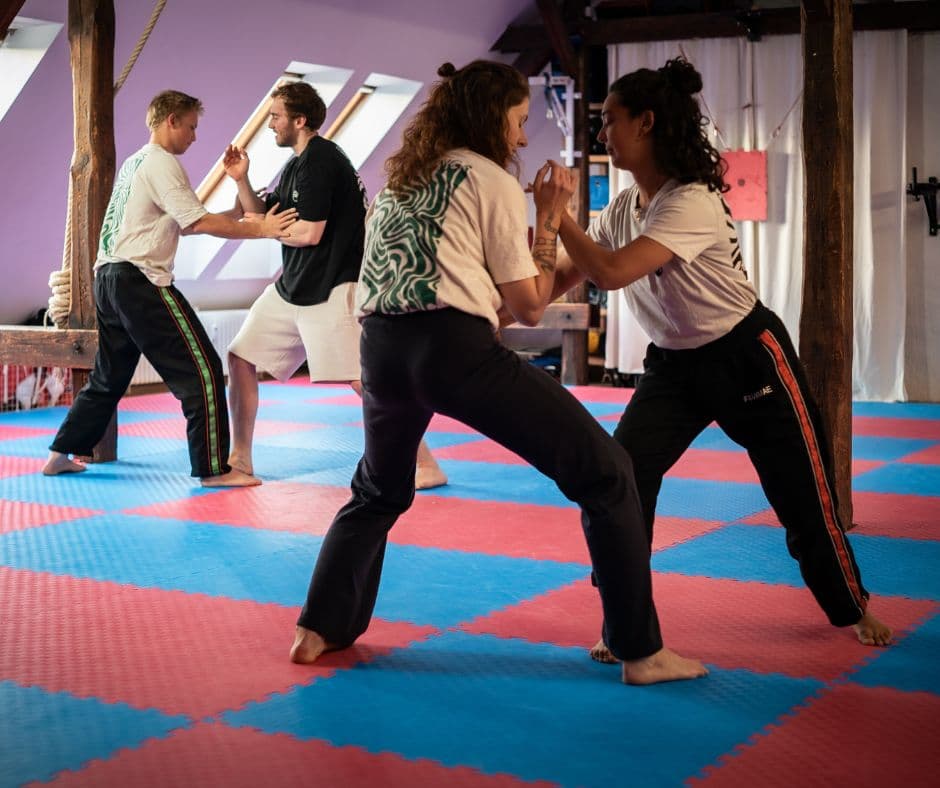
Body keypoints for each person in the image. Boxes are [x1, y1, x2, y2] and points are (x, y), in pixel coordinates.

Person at [289, 60, 707, 686]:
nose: (520, 136)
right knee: (608, 471)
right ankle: (641, 651)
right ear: (490, 119)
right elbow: (530, 307)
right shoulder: (490, 180)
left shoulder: (401, 181)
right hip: (453, 351)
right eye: (517, 121)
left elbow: (464, 288)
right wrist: (552, 214)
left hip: (378, 348)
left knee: (378, 491)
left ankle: (317, 629)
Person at [550, 58, 892, 661]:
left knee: (801, 496)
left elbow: (611, 271)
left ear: (647, 123)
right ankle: (625, 620)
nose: (602, 133)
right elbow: (563, 276)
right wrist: (495, 305)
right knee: (620, 476)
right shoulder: (625, 207)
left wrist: (556, 215)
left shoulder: (691, 201)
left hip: (747, 357)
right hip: (673, 368)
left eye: (611, 120)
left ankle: (852, 606)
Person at [43, 90, 297, 487]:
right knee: (203, 370)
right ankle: (213, 470)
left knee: (109, 376)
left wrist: (237, 212)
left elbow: (181, 222)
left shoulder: (136, 162)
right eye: (191, 127)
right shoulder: (163, 163)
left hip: (107, 279)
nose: (195, 136)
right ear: (171, 121)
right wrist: (262, 229)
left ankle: (60, 453)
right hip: (139, 280)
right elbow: (196, 223)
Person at [222, 82, 446, 488]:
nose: (270, 124)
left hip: (332, 287)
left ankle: (424, 462)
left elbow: (309, 233)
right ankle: (240, 459)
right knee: (240, 357)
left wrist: (265, 229)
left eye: (276, 116)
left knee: (364, 381)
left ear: (299, 120)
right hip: (293, 287)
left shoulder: (322, 160)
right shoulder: (296, 164)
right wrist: (241, 180)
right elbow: (262, 213)